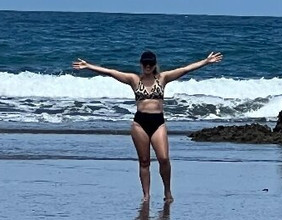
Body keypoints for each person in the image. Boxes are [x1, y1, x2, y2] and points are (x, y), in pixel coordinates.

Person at [72, 50, 223, 201]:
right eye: (145, 63)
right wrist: (88, 66)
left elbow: (185, 69)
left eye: (151, 63)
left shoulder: (163, 78)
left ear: (155, 64)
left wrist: (206, 61)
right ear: (141, 64)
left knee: (163, 158)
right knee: (144, 161)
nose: (148, 66)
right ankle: (146, 195)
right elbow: (111, 72)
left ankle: (167, 192)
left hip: (158, 123)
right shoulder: (134, 79)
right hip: (139, 123)